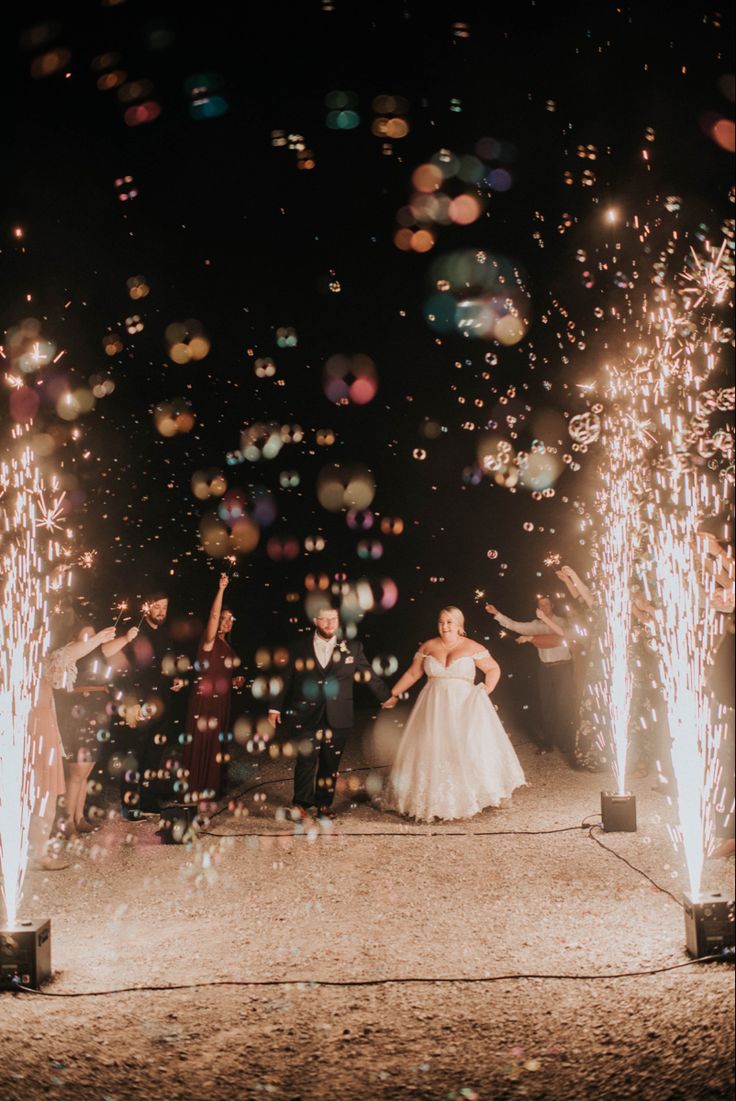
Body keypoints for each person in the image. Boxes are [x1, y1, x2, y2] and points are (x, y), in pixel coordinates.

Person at [381, 606, 525, 821]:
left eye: (450, 622)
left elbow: (493, 668)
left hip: (464, 705)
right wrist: (392, 694)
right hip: (434, 705)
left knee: (468, 746)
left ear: (459, 625)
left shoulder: (472, 646)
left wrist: (486, 688)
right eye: (441, 622)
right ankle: (435, 798)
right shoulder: (428, 646)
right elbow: (413, 673)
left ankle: (479, 794)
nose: (445, 626)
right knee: (433, 746)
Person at [268, 606, 390, 819]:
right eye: (324, 619)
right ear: (316, 620)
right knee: (306, 760)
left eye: (333, 619)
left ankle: (324, 805)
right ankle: (301, 805)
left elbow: (368, 674)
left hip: (339, 714)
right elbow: (284, 678)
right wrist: (274, 707)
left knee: (330, 762)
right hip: (305, 713)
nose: (330, 623)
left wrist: (386, 696)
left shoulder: (352, 646)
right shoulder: (298, 647)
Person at [29, 618, 118, 869]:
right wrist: (98, 638)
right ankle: (36, 851)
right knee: (40, 794)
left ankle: (39, 850)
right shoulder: (25, 660)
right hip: (31, 729)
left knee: (43, 795)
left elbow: (62, 659)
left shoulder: (40, 661)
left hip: (43, 728)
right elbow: (66, 654)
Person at [102, 590, 186, 817]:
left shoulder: (166, 635)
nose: (161, 612)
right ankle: (130, 804)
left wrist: (175, 679)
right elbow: (125, 672)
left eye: (165, 608)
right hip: (139, 705)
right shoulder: (136, 633)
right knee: (134, 754)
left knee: (154, 754)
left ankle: (148, 800)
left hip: (161, 705)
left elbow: (166, 666)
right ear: (148, 607)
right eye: (157, 607)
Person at [485, 595, 575, 758]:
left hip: (564, 668)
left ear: (552, 606)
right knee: (547, 706)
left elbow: (558, 638)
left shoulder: (561, 622)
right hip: (546, 669)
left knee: (565, 705)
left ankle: (567, 743)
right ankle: (548, 743)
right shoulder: (535, 625)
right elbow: (514, 625)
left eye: (546, 604)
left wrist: (531, 638)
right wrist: (496, 613)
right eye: (540, 605)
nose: (544, 608)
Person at [183, 573, 245, 803]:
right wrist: (221, 589)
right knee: (202, 742)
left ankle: (210, 789)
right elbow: (213, 615)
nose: (227, 622)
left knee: (216, 744)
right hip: (205, 700)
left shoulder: (227, 644)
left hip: (221, 701)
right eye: (224, 618)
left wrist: (233, 682)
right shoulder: (209, 641)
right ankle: (195, 790)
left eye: (231, 619)